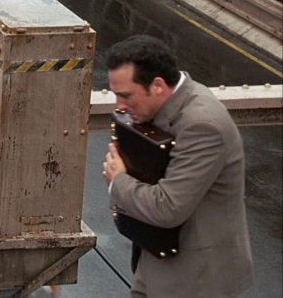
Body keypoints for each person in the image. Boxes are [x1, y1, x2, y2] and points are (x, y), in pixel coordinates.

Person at [101, 35, 253, 297]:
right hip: (157, 261)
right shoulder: (169, 104)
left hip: (195, 278)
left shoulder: (202, 126)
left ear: (158, 85)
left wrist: (118, 180)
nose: (120, 107)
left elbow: (168, 207)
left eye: (126, 96)